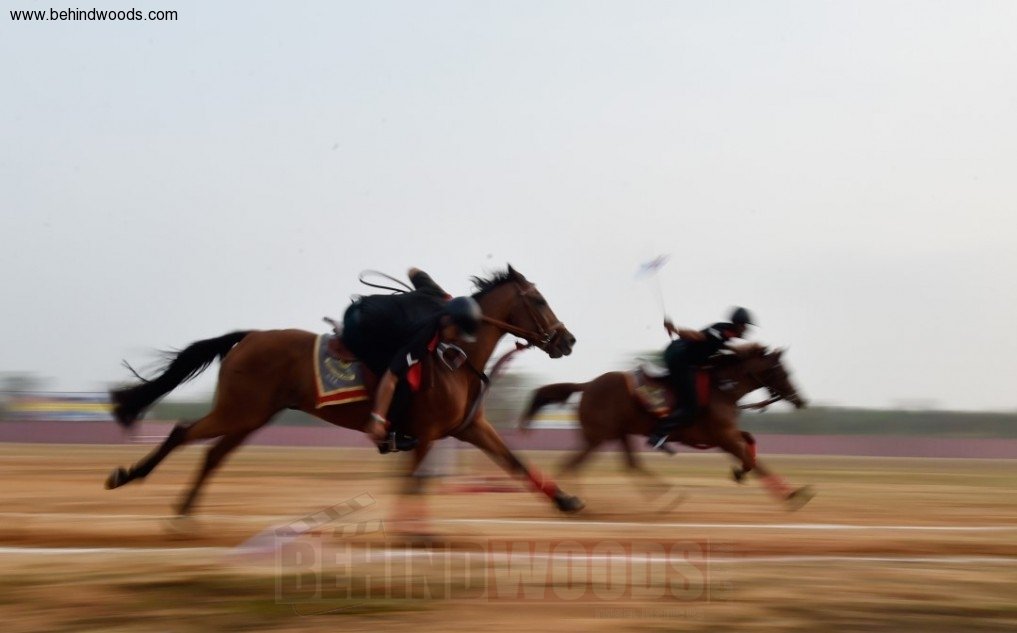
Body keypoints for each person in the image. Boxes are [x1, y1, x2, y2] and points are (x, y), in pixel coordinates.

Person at [341, 268, 482, 453]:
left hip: (365, 306)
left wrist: (409, 305)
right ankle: (386, 435)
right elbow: (391, 377)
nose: (457, 339)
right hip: (357, 327)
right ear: (447, 320)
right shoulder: (423, 336)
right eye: (457, 333)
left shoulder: (440, 294)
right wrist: (378, 417)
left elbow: (413, 272)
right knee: (403, 380)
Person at [646, 307, 754, 451]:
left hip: (686, 359)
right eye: (746, 326)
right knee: (691, 407)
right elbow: (696, 336)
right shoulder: (720, 332)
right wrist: (676, 329)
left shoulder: (728, 333)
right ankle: (657, 435)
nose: (746, 329)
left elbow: (728, 349)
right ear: (739, 325)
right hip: (679, 359)